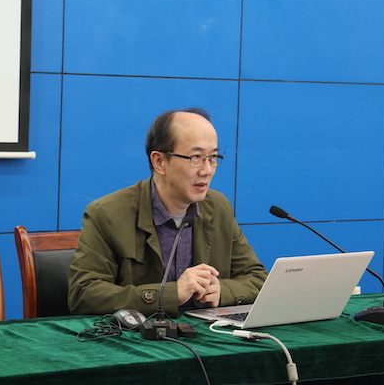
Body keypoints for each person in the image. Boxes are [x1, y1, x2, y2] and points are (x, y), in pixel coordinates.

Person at [67, 108, 267, 317]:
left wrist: (222, 291)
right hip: (138, 334)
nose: (207, 170)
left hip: (206, 331)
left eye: (213, 157)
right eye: (196, 157)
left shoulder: (218, 207)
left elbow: (257, 278)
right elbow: (84, 294)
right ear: (159, 162)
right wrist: (168, 294)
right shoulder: (107, 214)